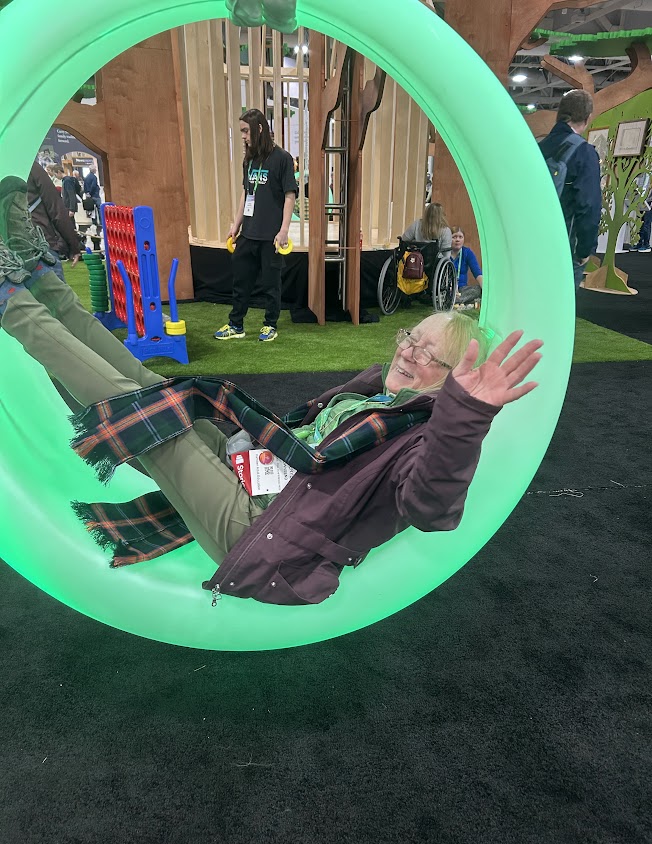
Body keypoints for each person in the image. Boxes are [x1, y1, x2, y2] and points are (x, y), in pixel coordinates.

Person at [0, 173, 543, 607]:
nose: (407, 352)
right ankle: (43, 279)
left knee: (145, 413)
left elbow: (432, 508)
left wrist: (467, 415)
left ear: (451, 384)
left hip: (264, 531)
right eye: (410, 338)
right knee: (153, 389)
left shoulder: (419, 439)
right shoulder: (374, 395)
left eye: (427, 354)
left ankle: (13, 303)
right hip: (251, 470)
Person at [214, 108, 297, 343]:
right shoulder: (249, 159)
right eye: (241, 131)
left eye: (245, 131)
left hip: (271, 236)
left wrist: (283, 230)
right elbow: (246, 193)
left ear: (259, 129)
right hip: (248, 234)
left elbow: (290, 196)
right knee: (241, 282)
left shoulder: (282, 158)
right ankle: (236, 325)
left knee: (271, 285)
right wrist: (236, 224)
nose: (243, 136)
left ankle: (270, 325)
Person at [539, 89, 602, 290]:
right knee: (559, 302)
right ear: (587, 117)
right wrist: (584, 250)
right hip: (565, 244)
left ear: (559, 114)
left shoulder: (539, 147)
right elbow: (589, 205)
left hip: (535, 239)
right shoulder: (584, 152)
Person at [25, 163, 82, 280]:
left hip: (10, 253)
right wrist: (73, 246)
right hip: (41, 244)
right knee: (56, 291)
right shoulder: (31, 167)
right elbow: (56, 209)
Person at [450, 226, 483, 305]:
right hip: (447, 289)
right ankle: (457, 300)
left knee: (478, 289)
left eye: (460, 237)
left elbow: (477, 273)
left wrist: (486, 290)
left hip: (462, 289)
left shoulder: (467, 252)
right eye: (454, 237)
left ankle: (454, 301)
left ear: (464, 239)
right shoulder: (444, 253)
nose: (457, 240)